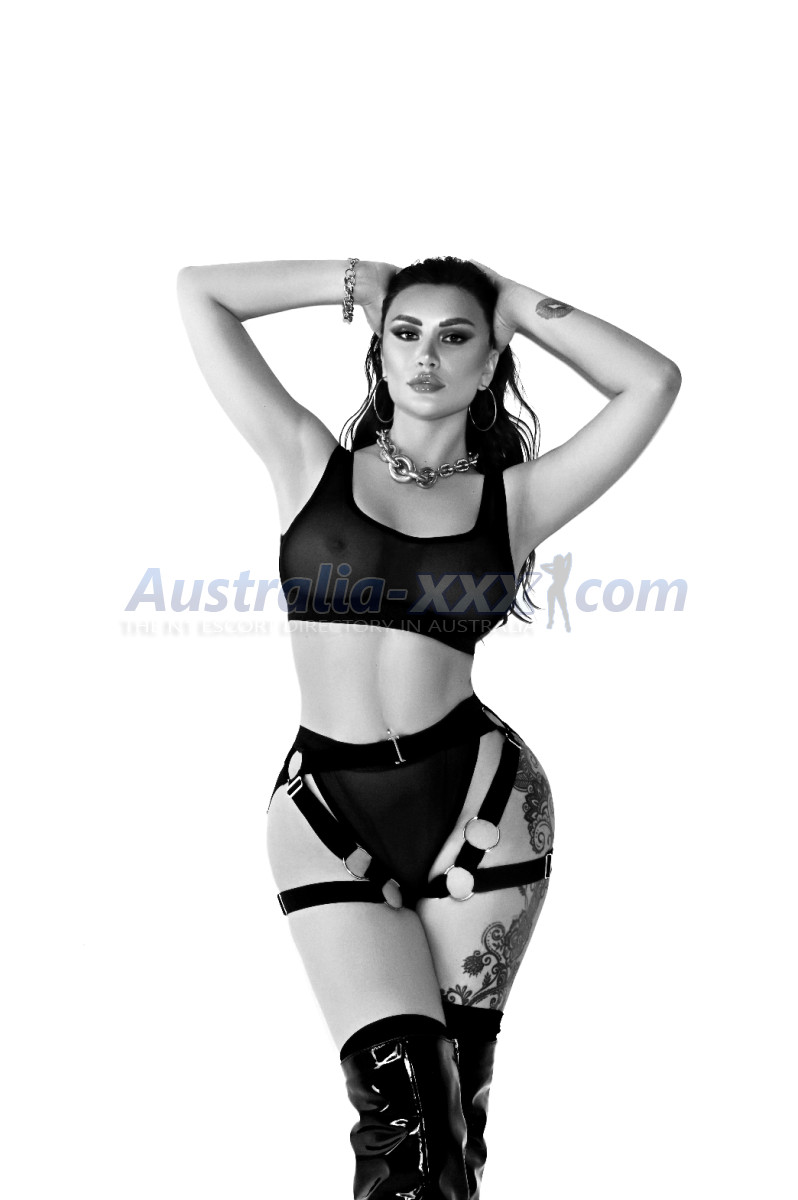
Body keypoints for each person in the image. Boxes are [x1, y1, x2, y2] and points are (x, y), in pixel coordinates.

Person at [176, 256, 681, 1198]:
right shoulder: (307, 460)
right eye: (406, 334)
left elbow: (651, 382)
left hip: (481, 810)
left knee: (452, 1128)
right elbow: (199, 293)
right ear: (378, 345)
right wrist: (357, 279)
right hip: (324, 810)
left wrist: (510, 300)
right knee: (405, 1116)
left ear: (490, 363)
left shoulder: (517, 501)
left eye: (455, 338)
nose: (426, 356)